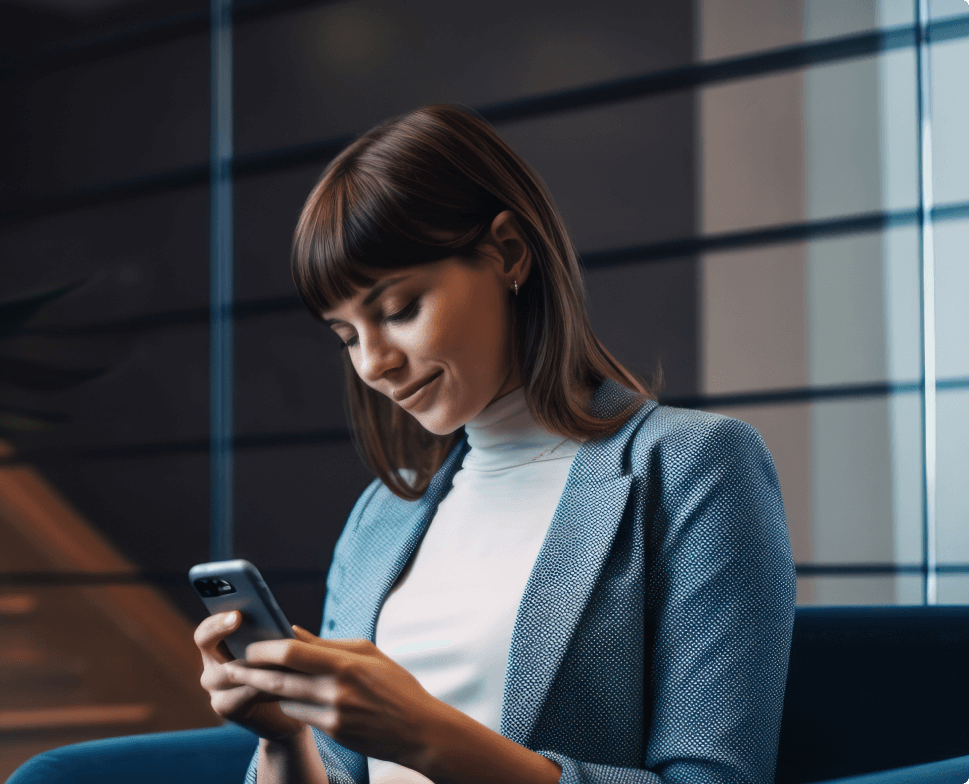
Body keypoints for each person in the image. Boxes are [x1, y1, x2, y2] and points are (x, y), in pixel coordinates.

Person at [192, 104, 797, 784]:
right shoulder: (380, 517)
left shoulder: (695, 467)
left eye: (398, 310)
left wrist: (427, 736)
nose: (373, 364)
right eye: (347, 336)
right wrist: (283, 739)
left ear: (509, 253)